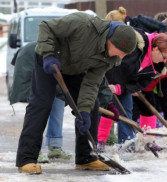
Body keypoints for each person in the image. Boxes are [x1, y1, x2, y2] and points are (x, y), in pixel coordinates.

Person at [16, 12, 137, 174]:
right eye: (120, 51)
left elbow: (91, 83)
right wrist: (48, 54)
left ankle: (85, 157)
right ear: (110, 40)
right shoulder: (83, 23)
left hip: (74, 69)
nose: (121, 56)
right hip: (50, 60)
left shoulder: (110, 57)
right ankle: (26, 159)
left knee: (92, 105)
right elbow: (46, 27)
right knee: (42, 104)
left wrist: (84, 112)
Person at [98, 27, 167, 152]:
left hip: (123, 86)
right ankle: (96, 143)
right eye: (164, 57)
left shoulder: (156, 67)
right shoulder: (136, 45)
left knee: (126, 114)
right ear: (156, 49)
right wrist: (105, 82)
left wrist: (120, 88)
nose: (165, 61)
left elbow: (141, 84)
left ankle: (126, 146)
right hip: (104, 78)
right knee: (101, 110)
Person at [9, 42, 72, 163]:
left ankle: (55, 147)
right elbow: (26, 77)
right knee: (38, 112)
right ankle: (36, 150)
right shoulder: (28, 52)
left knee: (58, 107)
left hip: (52, 72)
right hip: (32, 75)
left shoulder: (65, 53)